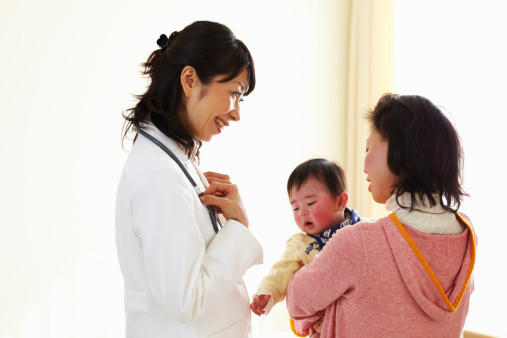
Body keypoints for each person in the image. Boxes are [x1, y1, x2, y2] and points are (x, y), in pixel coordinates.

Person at [115, 21, 263, 338]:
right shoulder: (159, 177)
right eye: (234, 94)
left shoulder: (172, 161)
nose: (236, 113)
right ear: (190, 80)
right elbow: (187, 300)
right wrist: (237, 227)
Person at [286, 94, 477, 337]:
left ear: (400, 152)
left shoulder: (359, 242)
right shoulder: (467, 237)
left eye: (368, 148)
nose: (363, 164)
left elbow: (297, 301)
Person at [250, 159, 362, 337]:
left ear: (341, 202)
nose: (302, 212)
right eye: (295, 207)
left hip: (362, 321)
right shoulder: (300, 245)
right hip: (323, 326)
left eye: (310, 203)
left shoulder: (364, 230)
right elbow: (280, 273)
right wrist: (267, 292)